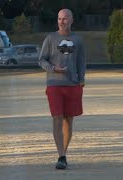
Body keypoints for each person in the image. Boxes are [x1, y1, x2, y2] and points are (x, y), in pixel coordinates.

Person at [38, 9, 86, 170]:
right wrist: (53, 68)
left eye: (65, 18)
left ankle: (63, 154)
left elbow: (81, 61)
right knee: (57, 117)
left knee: (68, 120)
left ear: (71, 20)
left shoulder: (77, 40)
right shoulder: (51, 38)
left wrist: (81, 80)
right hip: (54, 84)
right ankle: (61, 156)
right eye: (59, 18)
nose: (61, 21)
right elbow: (41, 60)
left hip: (72, 85)